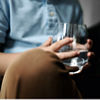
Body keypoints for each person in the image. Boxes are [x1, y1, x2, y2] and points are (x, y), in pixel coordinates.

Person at [0, 0, 94, 98]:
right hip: (20, 79)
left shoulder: (73, 4)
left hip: (65, 80)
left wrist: (78, 53)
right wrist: (38, 58)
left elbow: (75, 44)